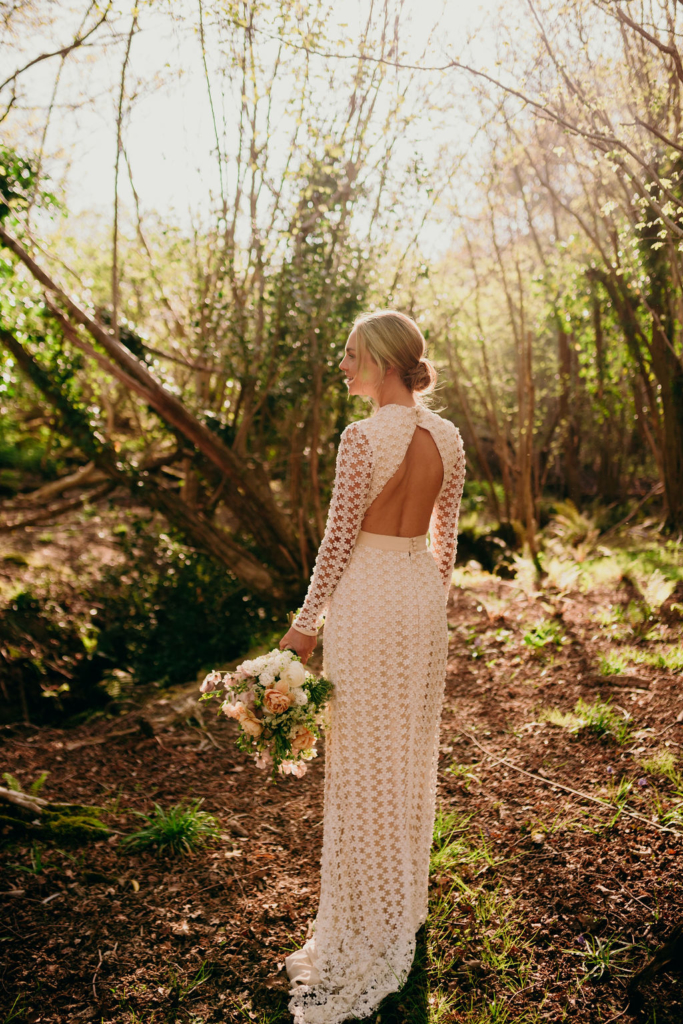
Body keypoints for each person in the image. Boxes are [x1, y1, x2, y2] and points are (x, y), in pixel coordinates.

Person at [278, 309, 466, 1023]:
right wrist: (427, 596)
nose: (345, 366)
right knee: (408, 758)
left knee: (361, 761)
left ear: (386, 361)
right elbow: (445, 538)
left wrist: (303, 628)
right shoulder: (445, 436)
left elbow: (334, 544)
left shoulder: (361, 439)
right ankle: (400, 906)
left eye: (353, 355)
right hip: (419, 598)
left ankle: (364, 923)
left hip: (367, 596)